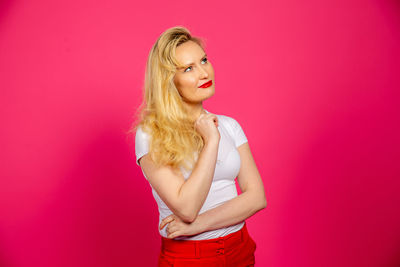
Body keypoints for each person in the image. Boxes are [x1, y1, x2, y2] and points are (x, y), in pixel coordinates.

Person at [131, 26, 267, 266]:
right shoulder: (151, 133)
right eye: (189, 68)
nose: (204, 73)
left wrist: (200, 224)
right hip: (190, 257)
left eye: (203, 60)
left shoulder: (230, 125)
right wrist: (211, 140)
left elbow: (256, 197)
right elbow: (186, 208)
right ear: (169, 81)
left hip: (241, 249)